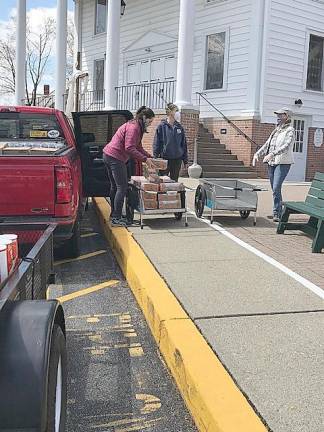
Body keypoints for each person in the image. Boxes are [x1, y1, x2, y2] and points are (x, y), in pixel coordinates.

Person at [103, 106, 156, 227]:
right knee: (122, 187)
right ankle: (116, 218)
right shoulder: (134, 127)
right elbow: (129, 148)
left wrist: (149, 157)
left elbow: (138, 147)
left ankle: (114, 214)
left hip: (109, 155)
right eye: (150, 121)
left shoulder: (136, 126)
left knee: (115, 187)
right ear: (144, 117)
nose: (150, 124)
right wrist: (144, 159)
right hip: (115, 157)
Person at [252, 107, 295, 222]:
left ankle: (277, 212)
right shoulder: (276, 130)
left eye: (281, 115)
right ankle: (278, 211)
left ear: (287, 117)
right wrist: (257, 154)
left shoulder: (290, 130)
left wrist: (272, 154)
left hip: (283, 162)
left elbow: (286, 146)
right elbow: (267, 144)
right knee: (275, 189)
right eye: (278, 115)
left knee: (276, 187)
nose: (278, 117)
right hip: (271, 163)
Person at [153, 103, 188, 181]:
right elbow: (156, 143)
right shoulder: (161, 126)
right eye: (176, 111)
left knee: (174, 182)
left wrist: (185, 160)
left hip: (177, 159)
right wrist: (155, 158)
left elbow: (183, 144)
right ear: (170, 112)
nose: (178, 113)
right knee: (162, 181)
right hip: (165, 159)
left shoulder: (179, 127)